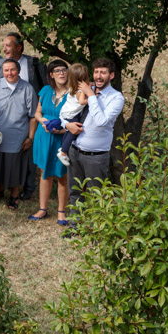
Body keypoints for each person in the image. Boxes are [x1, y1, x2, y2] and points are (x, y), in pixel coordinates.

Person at [62, 58, 125, 227]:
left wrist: (91, 97)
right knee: (75, 192)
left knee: (97, 195)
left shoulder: (116, 98)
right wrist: (66, 124)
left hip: (96, 156)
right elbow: (65, 111)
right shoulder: (85, 89)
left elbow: (101, 121)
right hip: (75, 150)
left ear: (111, 75)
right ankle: (75, 227)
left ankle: (97, 230)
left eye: (103, 72)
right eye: (96, 72)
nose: (98, 76)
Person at [0, 60, 37, 209]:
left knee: (14, 166)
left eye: (12, 70)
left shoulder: (27, 88)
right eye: (6, 70)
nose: (9, 73)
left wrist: (30, 137)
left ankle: (14, 194)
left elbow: (33, 116)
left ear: (18, 70)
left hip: (17, 135)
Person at [29, 59, 71, 225]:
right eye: (57, 70)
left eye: (64, 70)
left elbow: (79, 119)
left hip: (63, 136)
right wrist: (43, 121)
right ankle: (42, 209)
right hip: (44, 135)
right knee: (44, 172)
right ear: (51, 75)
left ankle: (61, 212)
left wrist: (63, 129)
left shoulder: (74, 93)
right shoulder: (46, 90)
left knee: (62, 175)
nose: (61, 73)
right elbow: (37, 112)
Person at [54, 63, 90, 167]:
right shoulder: (81, 91)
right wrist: (92, 97)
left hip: (65, 112)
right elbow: (82, 101)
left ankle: (62, 147)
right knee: (73, 132)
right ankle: (63, 152)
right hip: (72, 115)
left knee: (68, 131)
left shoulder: (71, 87)